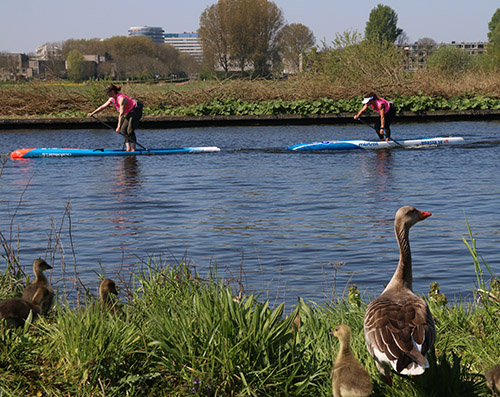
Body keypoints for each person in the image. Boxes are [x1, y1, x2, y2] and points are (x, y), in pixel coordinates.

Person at [88, 84, 143, 151]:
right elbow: (102, 107)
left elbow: (121, 114)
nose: (107, 93)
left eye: (108, 92)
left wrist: (118, 127)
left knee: (130, 130)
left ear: (113, 91)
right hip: (130, 112)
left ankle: (133, 149)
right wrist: (92, 113)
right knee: (123, 130)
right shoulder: (112, 99)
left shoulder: (121, 99)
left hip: (136, 110)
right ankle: (128, 149)